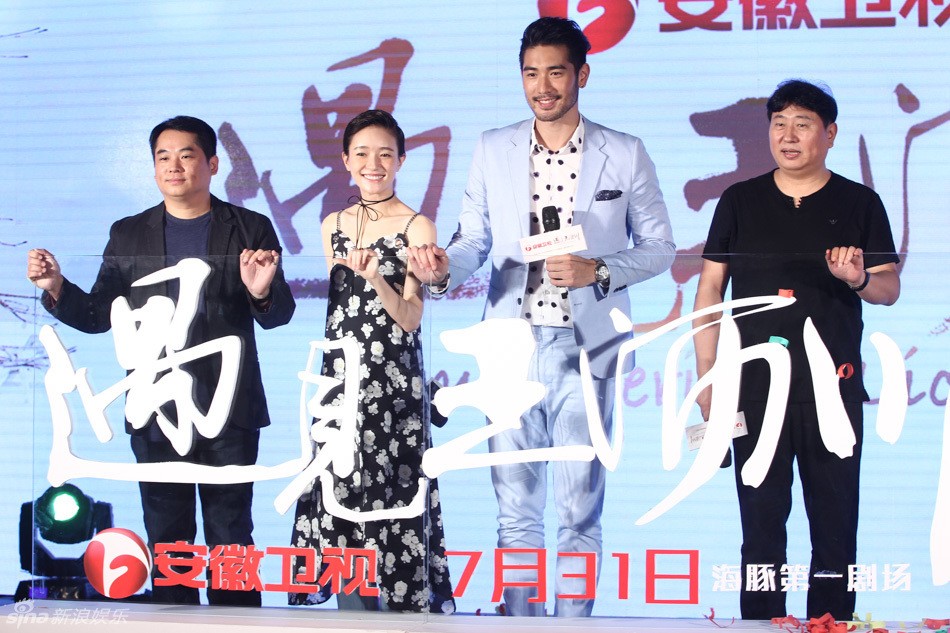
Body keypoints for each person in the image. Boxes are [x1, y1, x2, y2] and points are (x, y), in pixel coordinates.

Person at [408, 18, 675, 617]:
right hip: (510, 345)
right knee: (515, 509)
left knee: (579, 508)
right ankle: (521, 625)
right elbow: (474, 239)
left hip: (586, 345)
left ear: (582, 74)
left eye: (556, 72)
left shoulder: (624, 152)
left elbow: (659, 247)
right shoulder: (492, 147)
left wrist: (598, 269)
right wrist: (443, 268)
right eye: (531, 74)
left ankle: (573, 627)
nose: (543, 87)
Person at [26, 115, 296, 606]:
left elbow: (279, 316)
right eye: (163, 157)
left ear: (212, 164)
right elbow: (99, 315)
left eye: (186, 155)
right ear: (153, 168)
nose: (174, 166)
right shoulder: (129, 234)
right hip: (156, 405)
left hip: (227, 405)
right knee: (168, 538)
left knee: (231, 533)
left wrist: (260, 293)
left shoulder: (249, 226)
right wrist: (57, 288)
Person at [692, 80, 900, 620]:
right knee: (760, 527)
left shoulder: (859, 202)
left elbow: (888, 289)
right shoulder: (739, 201)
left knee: (835, 528)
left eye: (802, 124)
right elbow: (710, 289)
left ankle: (832, 626)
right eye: (779, 123)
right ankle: (762, 626)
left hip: (832, 388)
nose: (788, 136)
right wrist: (707, 378)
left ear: (829, 134)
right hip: (755, 387)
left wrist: (858, 279)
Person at [288, 109, 455, 613]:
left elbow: (410, 318)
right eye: (361, 153)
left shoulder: (417, 225)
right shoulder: (332, 225)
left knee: (396, 493)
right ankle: (351, 611)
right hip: (341, 381)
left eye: (385, 154)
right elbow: (339, 312)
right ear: (345, 160)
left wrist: (377, 278)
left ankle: (402, 610)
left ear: (401, 160)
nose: (373, 164)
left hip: (395, 384)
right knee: (340, 488)